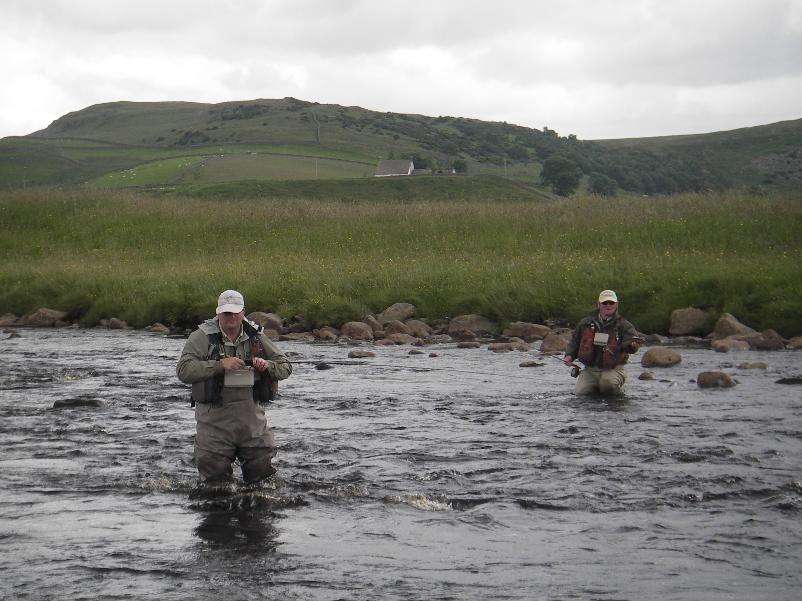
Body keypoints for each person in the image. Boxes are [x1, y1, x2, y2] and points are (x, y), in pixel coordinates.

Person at [177, 289, 292, 484]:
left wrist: (268, 366)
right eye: (226, 312)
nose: (231, 317)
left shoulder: (256, 336)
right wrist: (219, 365)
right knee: (215, 485)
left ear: (243, 312)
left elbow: (285, 367)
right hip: (214, 421)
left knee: (261, 481)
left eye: (235, 312)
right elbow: (183, 371)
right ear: (218, 313)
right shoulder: (201, 337)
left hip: (252, 422)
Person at [563, 290, 642, 395]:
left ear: (617, 304)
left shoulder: (624, 325)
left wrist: (633, 346)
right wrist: (569, 355)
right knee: (581, 394)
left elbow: (632, 345)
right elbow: (575, 341)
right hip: (590, 370)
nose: (608, 305)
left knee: (607, 385)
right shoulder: (585, 323)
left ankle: (618, 391)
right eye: (605, 303)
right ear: (598, 304)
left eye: (611, 302)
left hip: (614, 369)